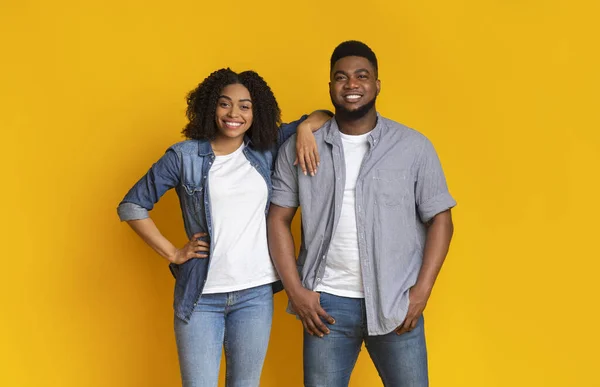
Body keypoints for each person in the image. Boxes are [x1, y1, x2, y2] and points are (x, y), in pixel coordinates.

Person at [117, 68, 330, 387]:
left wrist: (304, 131)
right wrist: (174, 253)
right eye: (225, 104)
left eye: (245, 106)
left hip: (254, 295)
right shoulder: (184, 157)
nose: (234, 113)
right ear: (210, 107)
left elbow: (325, 116)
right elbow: (132, 205)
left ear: (257, 112)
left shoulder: (266, 149)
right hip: (201, 296)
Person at [267, 41, 456, 387]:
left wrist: (422, 292)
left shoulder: (413, 146)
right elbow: (277, 218)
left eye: (361, 76)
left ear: (377, 84)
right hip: (326, 306)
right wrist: (296, 291)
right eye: (341, 77)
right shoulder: (301, 147)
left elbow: (441, 219)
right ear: (330, 88)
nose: (351, 85)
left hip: (396, 301)